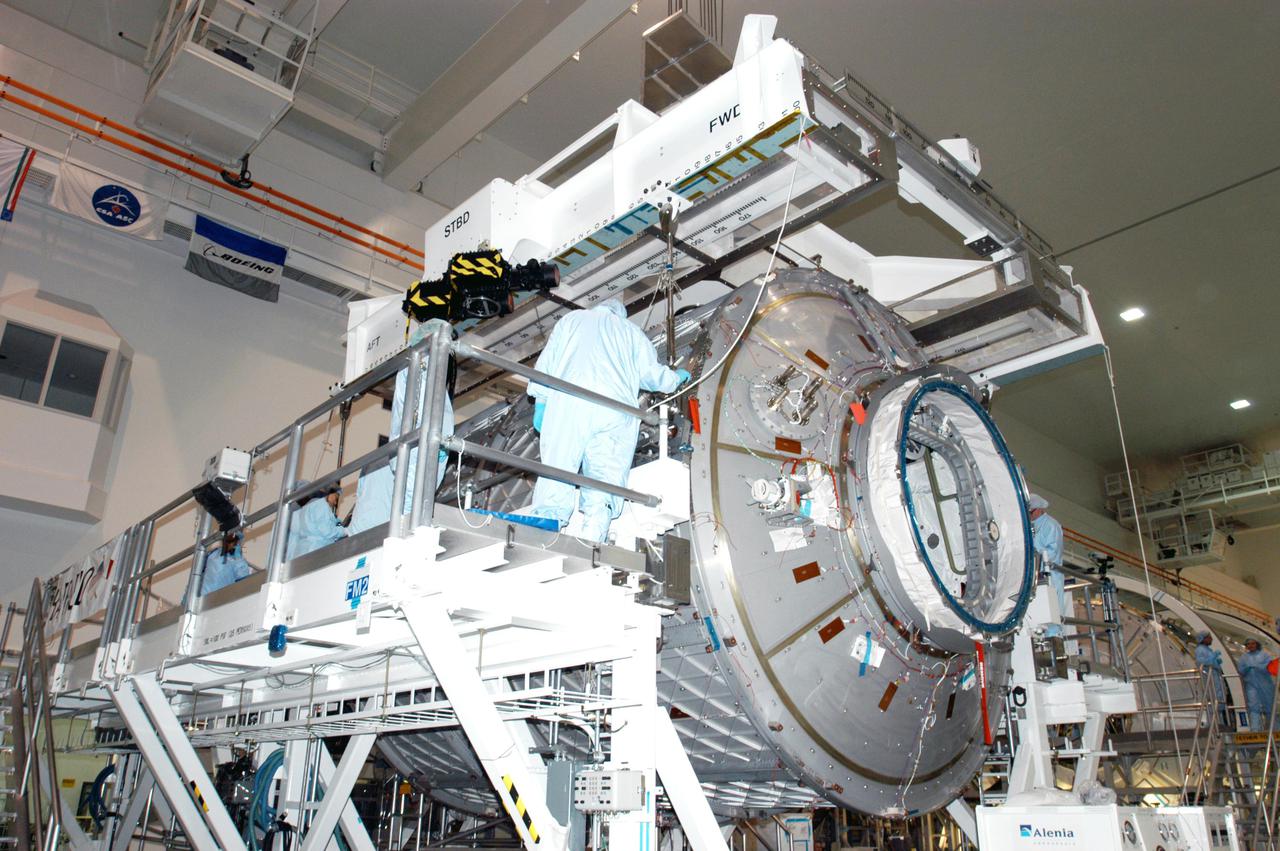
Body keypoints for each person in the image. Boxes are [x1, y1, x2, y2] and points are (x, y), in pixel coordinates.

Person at [528, 298, 689, 542]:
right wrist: (676, 378)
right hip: (615, 411)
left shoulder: (571, 320)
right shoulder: (632, 332)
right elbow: (652, 376)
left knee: (559, 464)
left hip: (570, 401)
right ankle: (594, 537)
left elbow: (547, 364)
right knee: (605, 477)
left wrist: (541, 400)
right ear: (620, 314)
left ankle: (548, 524)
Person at [348, 319, 455, 534]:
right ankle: (406, 533)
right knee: (410, 511)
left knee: (412, 505)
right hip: (417, 450)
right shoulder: (419, 367)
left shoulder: (423, 370)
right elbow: (420, 413)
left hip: (423, 450)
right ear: (429, 341)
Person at [1028, 493, 1065, 636]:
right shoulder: (1030, 526)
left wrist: (1035, 552)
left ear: (1038, 510)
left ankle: (1053, 637)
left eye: (1030, 512)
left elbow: (1053, 553)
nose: (1029, 516)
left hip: (1050, 576)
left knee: (1052, 611)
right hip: (1034, 576)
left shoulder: (1051, 525)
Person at [287, 485, 346, 560]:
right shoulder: (321, 505)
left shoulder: (307, 506)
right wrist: (344, 531)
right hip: (315, 550)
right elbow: (327, 531)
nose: (335, 502)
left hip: (301, 552)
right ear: (330, 493)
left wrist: (337, 522)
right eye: (336, 498)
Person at [1239, 638, 1277, 732]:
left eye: (1253, 643)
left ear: (1257, 644)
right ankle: (1255, 729)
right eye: (1248, 644)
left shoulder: (1264, 655)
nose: (1250, 646)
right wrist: (1248, 668)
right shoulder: (1244, 657)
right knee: (1253, 706)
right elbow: (1241, 669)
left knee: (1269, 706)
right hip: (1251, 685)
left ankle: (1274, 728)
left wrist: (1258, 667)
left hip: (1266, 684)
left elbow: (1270, 667)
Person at [1193, 631, 1230, 726]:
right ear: (1203, 639)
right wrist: (1213, 657)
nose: (1211, 639)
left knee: (1218, 701)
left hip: (1215, 677)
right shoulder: (1200, 650)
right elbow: (1201, 662)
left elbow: (1211, 662)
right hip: (1210, 679)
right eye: (1209, 637)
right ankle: (1212, 724)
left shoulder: (1207, 649)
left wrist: (1216, 662)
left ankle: (1219, 723)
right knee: (1213, 701)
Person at [201, 530, 253, 595]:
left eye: (234, 541)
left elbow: (243, 577)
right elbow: (198, 574)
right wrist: (187, 596)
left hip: (222, 599)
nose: (231, 544)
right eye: (229, 540)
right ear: (223, 540)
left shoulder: (237, 560)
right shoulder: (212, 554)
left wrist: (238, 558)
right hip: (203, 596)